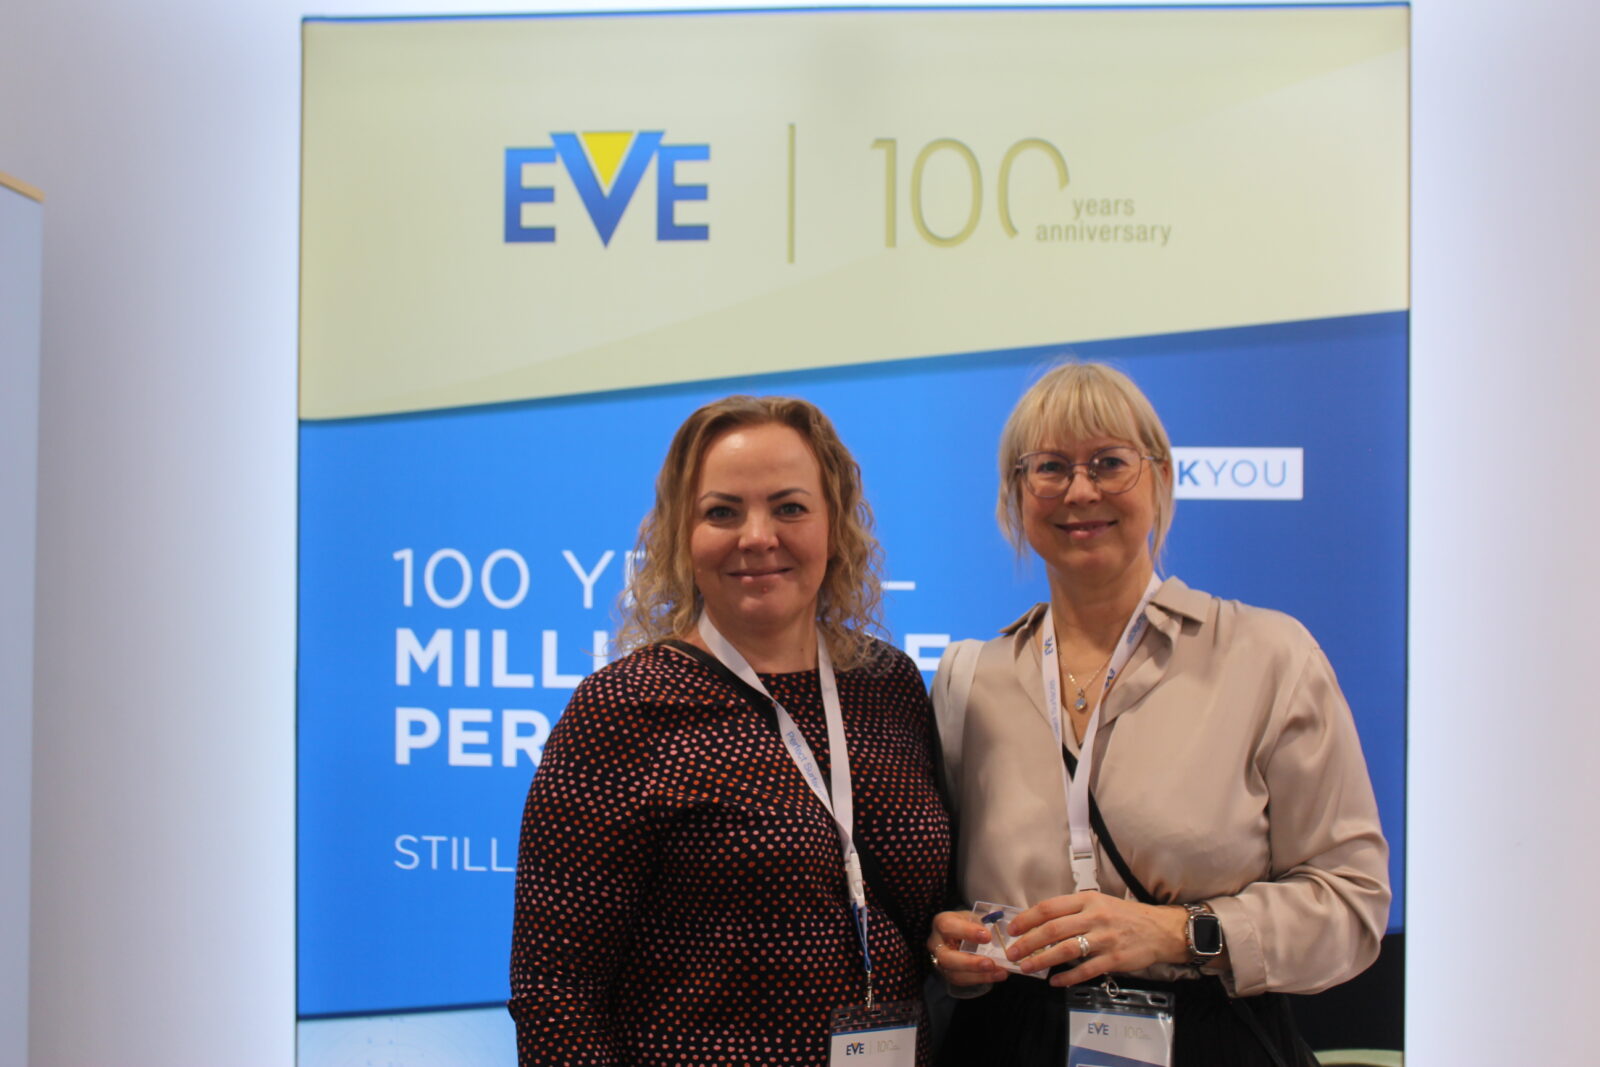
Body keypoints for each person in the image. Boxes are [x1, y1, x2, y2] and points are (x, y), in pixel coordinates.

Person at [926, 363, 1390, 1066]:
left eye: (1109, 463)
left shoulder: (1267, 656)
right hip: (1008, 1039)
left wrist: (1180, 933)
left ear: (1162, 477)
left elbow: (1352, 908)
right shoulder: (969, 680)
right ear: (1016, 495)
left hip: (1208, 1034)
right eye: (1050, 467)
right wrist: (950, 952)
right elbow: (942, 901)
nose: (1081, 491)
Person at [509, 395, 951, 1066]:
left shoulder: (887, 684)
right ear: (681, 534)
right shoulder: (623, 709)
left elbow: (912, 917)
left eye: (789, 507)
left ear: (834, 526)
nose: (757, 536)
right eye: (722, 512)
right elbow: (556, 992)